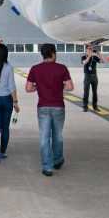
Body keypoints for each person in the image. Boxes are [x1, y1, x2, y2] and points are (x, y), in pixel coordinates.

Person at [25, 43, 74, 177]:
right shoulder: (62, 68)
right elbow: (70, 87)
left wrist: (39, 87)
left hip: (43, 107)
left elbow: (28, 88)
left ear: (43, 54)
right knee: (57, 135)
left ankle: (47, 167)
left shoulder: (35, 69)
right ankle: (57, 160)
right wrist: (60, 85)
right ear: (53, 54)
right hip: (58, 106)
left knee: (44, 137)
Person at [81, 44, 104, 112]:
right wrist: (89, 56)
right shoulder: (83, 57)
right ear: (86, 49)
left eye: (92, 49)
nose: (91, 50)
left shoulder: (95, 57)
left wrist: (99, 55)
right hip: (87, 76)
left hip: (94, 76)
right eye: (89, 48)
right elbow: (84, 63)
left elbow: (102, 62)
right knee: (86, 92)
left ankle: (95, 106)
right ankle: (85, 106)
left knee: (95, 92)